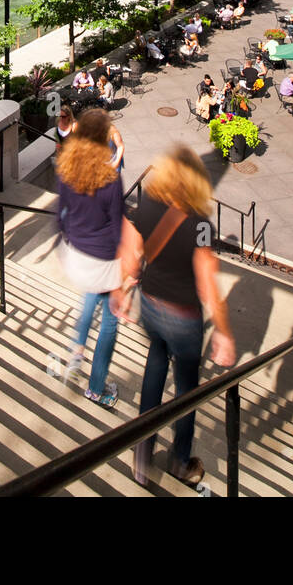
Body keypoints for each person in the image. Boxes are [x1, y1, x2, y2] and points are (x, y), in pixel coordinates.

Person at [118, 147, 236, 486]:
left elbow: (131, 254)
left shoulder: (149, 205)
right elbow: (208, 283)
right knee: (186, 393)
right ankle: (180, 462)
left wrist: (123, 290)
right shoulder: (200, 224)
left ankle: (141, 455)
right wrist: (224, 332)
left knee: (153, 373)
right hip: (183, 317)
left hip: (151, 306)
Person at [56, 110, 126, 407]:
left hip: (78, 255)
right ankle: (97, 389)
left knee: (90, 298)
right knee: (110, 321)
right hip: (103, 257)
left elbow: (60, 216)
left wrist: (68, 243)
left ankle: (76, 349)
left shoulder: (68, 171)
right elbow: (118, 226)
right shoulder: (110, 180)